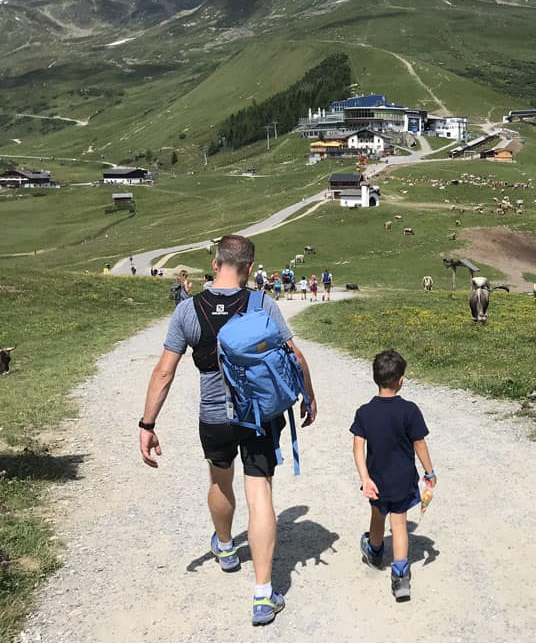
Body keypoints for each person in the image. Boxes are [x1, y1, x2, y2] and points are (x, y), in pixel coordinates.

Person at [138, 235, 318, 626]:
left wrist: (147, 423)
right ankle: (263, 594)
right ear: (249, 268)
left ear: (216, 262)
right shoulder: (262, 302)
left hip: (214, 417)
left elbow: (164, 371)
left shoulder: (188, 310)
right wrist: (309, 396)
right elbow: (295, 355)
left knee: (220, 482)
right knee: (260, 492)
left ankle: (224, 547)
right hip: (258, 415)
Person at [351, 350, 435, 601]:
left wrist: (365, 479)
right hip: (402, 478)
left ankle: (375, 550)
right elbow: (419, 443)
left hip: (376, 479)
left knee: (377, 516)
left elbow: (358, 448)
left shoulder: (364, 412)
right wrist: (429, 471)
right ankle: (400, 576)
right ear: (400, 380)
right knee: (399, 524)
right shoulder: (409, 410)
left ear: (376, 378)